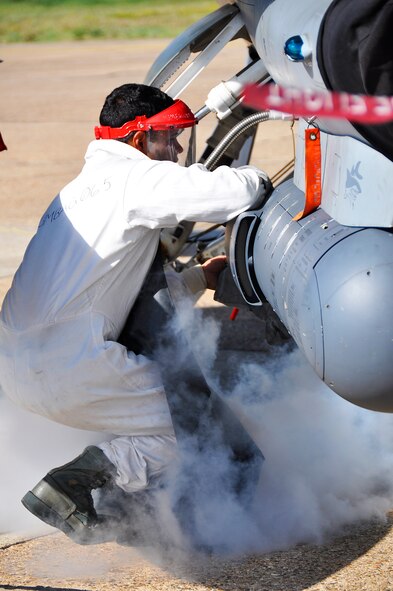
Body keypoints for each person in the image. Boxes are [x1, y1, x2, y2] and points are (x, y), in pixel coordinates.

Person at [0, 83, 269, 544]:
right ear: (139, 139)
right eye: (170, 137)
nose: (178, 149)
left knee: (171, 423)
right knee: (201, 428)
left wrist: (201, 279)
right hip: (73, 366)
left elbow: (121, 290)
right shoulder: (135, 179)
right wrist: (264, 181)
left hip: (19, 370)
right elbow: (234, 193)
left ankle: (117, 502)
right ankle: (72, 484)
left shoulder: (75, 193)